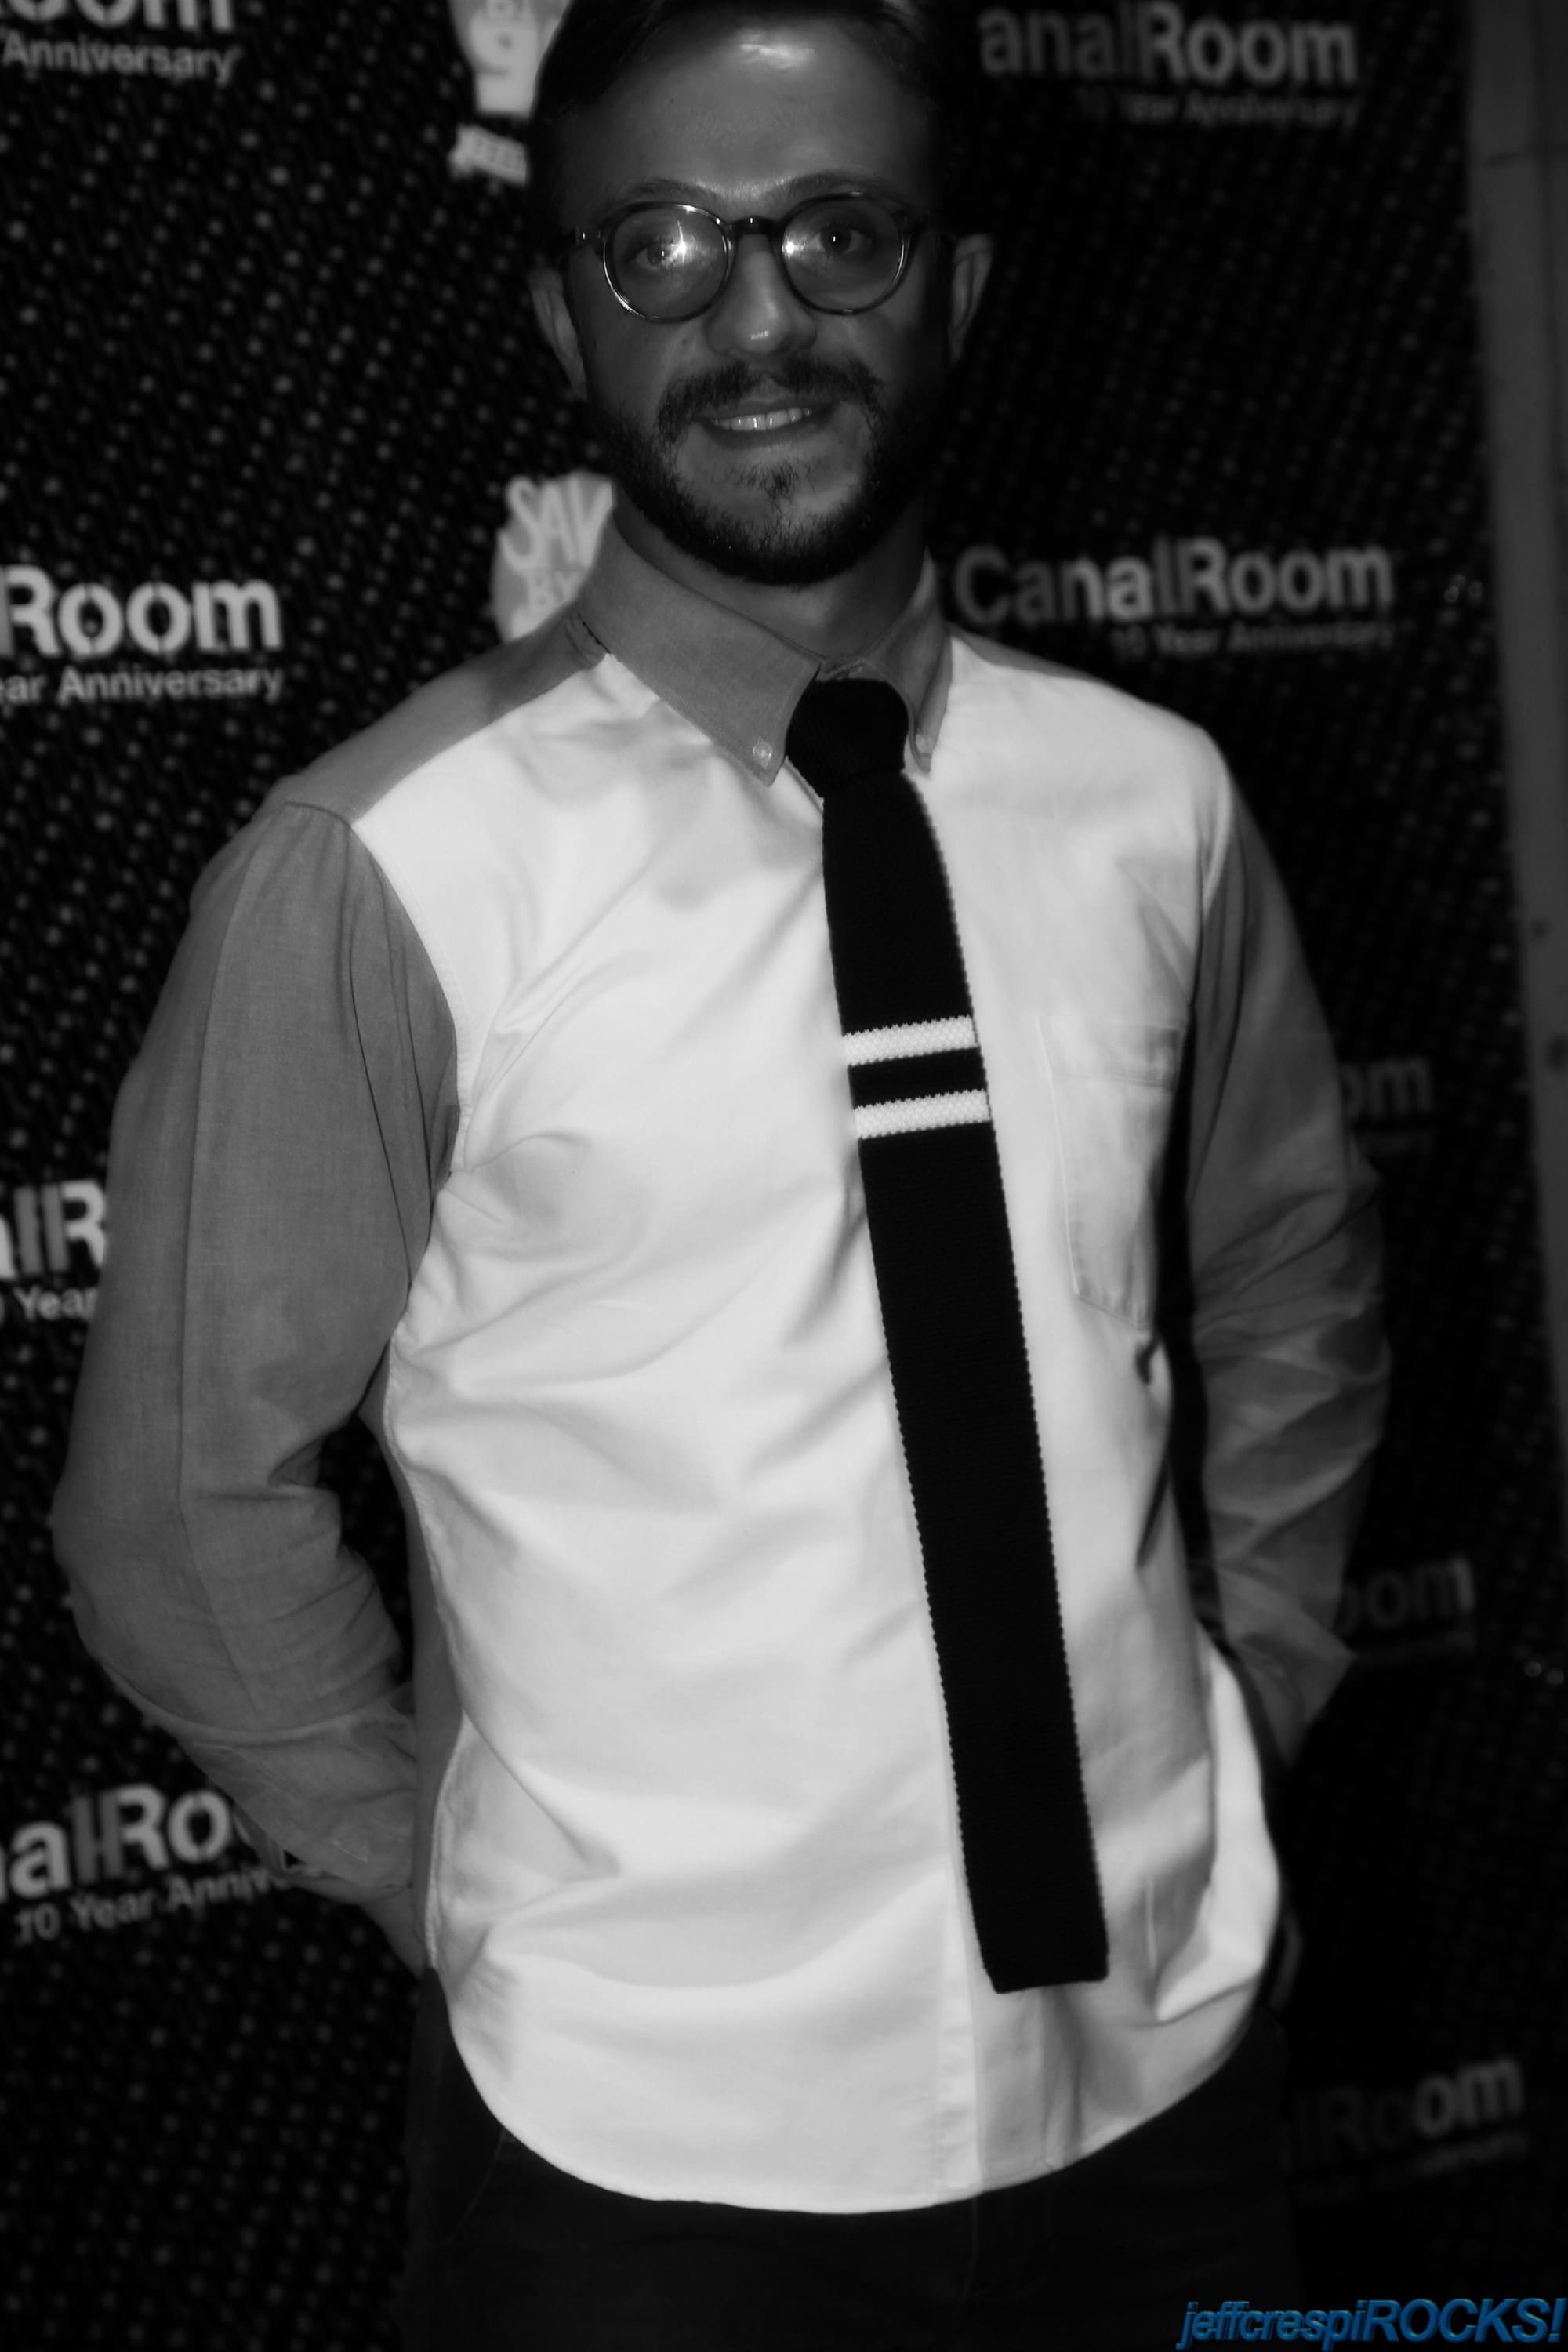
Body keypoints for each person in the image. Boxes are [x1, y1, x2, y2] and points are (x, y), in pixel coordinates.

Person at [53, 2, 1388, 2345]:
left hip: (1163, 2082)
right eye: (662, 245)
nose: (756, 316)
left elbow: (1291, 1268)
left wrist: (1248, 1687)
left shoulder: (1155, 802)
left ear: (959, 284)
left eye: (837, 231)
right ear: (559, 310)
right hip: (634, 2175)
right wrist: (451, 1885)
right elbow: (174, 1504)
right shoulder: (383, 871)